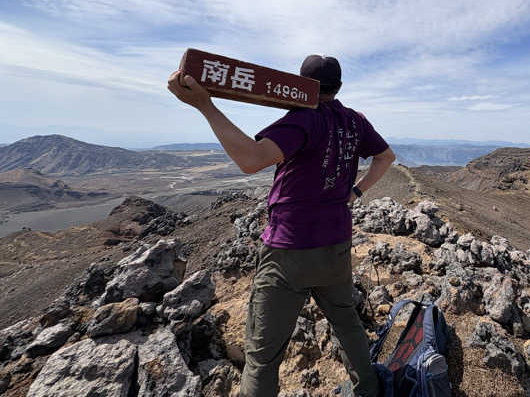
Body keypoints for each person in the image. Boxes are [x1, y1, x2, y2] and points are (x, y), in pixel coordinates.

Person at [167, 54, 395, 397]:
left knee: (262, 356)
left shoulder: (303, 120)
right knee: (347, 323)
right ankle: (369, 391)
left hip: (289, 251)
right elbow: (386, 156)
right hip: (336, 245)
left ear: (302, 84)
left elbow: (251, 158)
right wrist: (356, 191)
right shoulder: (354, 121)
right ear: (339, 86)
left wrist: (205, 106)